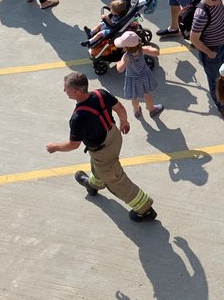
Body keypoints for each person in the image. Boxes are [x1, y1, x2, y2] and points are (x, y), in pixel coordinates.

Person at [45, 72, 156, 222]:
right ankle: (93, 185)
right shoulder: (100, 93)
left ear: (75, 92)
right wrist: (124, 122)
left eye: (66, 89)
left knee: (116, 181)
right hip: (115, 137)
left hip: (103, 150)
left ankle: (145, 209)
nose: (64, 91)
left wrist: (54, 147)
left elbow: (74, 145)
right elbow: (120, 108)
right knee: (98, 163)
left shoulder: (78, 118)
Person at [189, 0, 224, 114]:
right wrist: (209, 52)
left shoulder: (219, 3)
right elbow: (194, 39)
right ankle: (222, 106)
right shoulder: (201, 15)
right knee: (216, 80)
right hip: (212, 51)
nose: (218, 0)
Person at [114, 31, 163, 119]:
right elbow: (156, 52)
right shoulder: (142, 50)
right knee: (147, 94)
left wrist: (118, 63)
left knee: (134, 97)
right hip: (144, 76)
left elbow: (120, 69)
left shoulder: (126, 56)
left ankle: (136, 111)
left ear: (125, 47)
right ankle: (152, 110)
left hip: (132, 79)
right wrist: (149, 47)